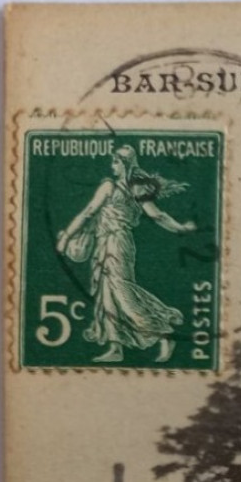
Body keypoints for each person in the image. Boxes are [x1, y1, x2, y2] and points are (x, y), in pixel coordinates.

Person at [55, 145, 197, 363]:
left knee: (121, 290)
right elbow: (155, 216)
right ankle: (115, 348)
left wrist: (66, 237)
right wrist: (180, 228)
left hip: (118, 243)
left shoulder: (121, 187)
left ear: (125, 163)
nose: (112, 165)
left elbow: (155, 215)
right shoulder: (127, 187)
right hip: (105, 243)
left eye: (116, 161)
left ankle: (163, 331)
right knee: (106, 293)